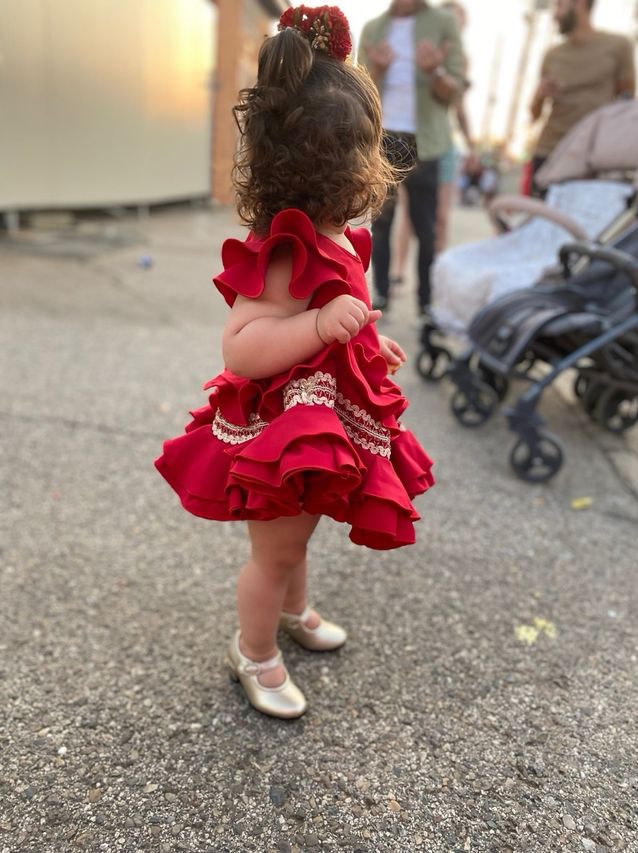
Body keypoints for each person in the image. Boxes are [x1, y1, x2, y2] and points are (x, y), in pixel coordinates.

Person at [154, 6, 435, 721]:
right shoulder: (285, 247)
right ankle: (253, 650)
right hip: (280, 434)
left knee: (300, 532)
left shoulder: (338, 234)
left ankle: (291, 609)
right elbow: (242, 346)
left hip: (317, 425)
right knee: (274, 551)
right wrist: (315, 323)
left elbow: (342, 315)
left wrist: (364, 343)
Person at [358, 0, 465, 316]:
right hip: (383, 138)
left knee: (426, 228)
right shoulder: (373, 28)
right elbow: (358, 91)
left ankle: (425, 302)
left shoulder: (444, 23)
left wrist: (435, 72)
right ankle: (381, 294)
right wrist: (377, 70)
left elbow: (454, 92)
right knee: (381, 224)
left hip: (425, 142)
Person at [529, 0, 636, 194]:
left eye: (559, 5)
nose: (555, 15)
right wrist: (540, 94)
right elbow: (534, 115)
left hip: (590, 159)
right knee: (537, 211)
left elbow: (626, 103)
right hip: (549, 151)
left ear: (579, 4)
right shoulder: (552, 55)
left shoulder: (618, 46)